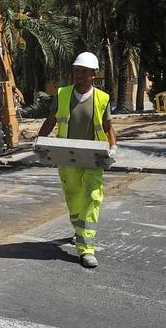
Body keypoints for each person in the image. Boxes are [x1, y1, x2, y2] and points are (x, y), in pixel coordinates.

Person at [38, 51, 117, 269]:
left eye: (84, 72)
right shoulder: (63, 94)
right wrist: (40, 141)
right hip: (67, 156)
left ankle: (86, 248)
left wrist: (113, 147)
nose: (79, 75)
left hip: (93, 157)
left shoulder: (102, 98)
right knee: (73, 197)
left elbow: (108, 126)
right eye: (77, 71)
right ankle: (78, 229)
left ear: (94, 74)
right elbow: (51, 120)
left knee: (93, 195)